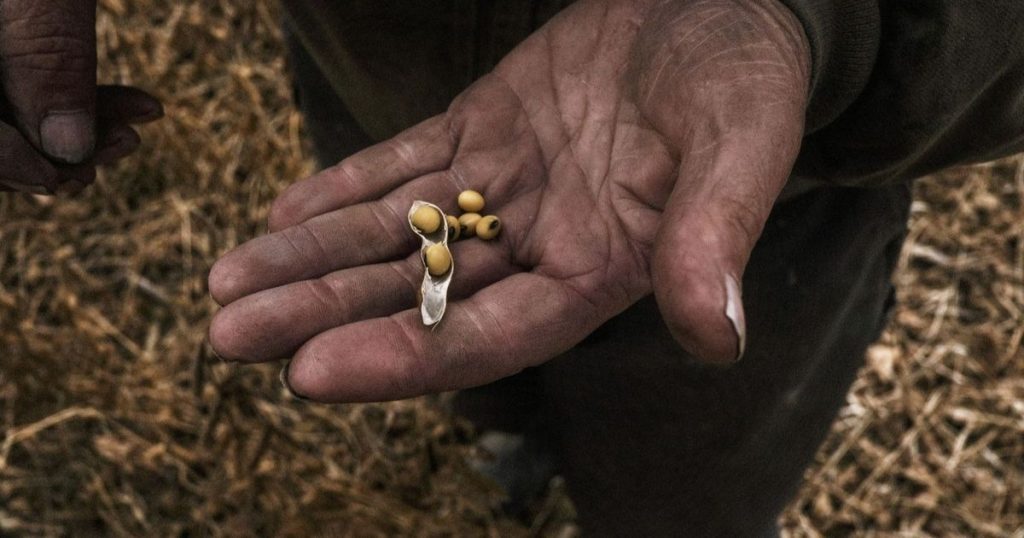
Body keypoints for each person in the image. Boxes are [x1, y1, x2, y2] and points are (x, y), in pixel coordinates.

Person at [2, 1, 1022, 535]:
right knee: (472, 354)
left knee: (691, 465)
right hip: (388, 85)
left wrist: (812, 14)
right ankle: (510, 435)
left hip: (772, 186)